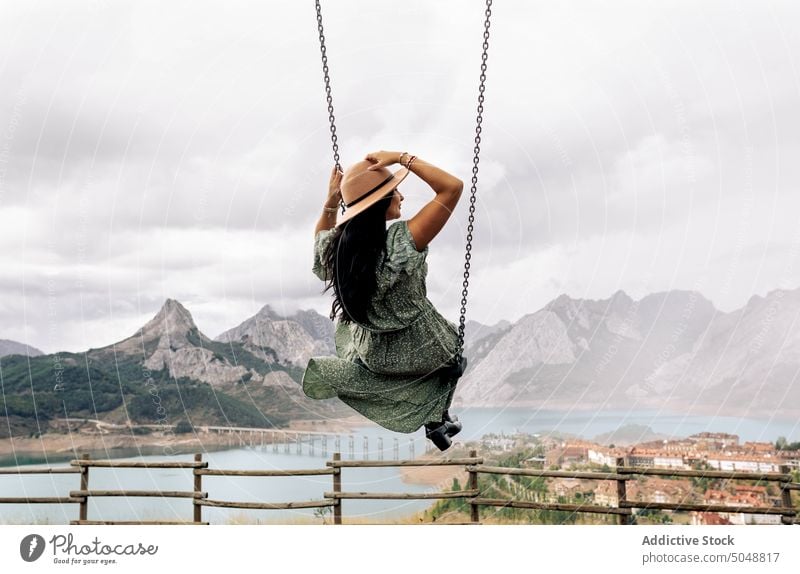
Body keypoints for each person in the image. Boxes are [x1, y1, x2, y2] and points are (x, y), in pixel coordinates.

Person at [302, 150, 467, 450]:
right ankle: (436, 419)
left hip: (375, 357)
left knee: (349, 330)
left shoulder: (338, 250)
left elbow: (319, 242)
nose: (401, 196)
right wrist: (400, 157)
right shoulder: (400, 243)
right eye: (395, 191)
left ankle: (435, 419)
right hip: (425, 349)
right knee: (455, 357)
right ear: (380, 203)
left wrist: (330, 200)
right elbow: (452, 188)